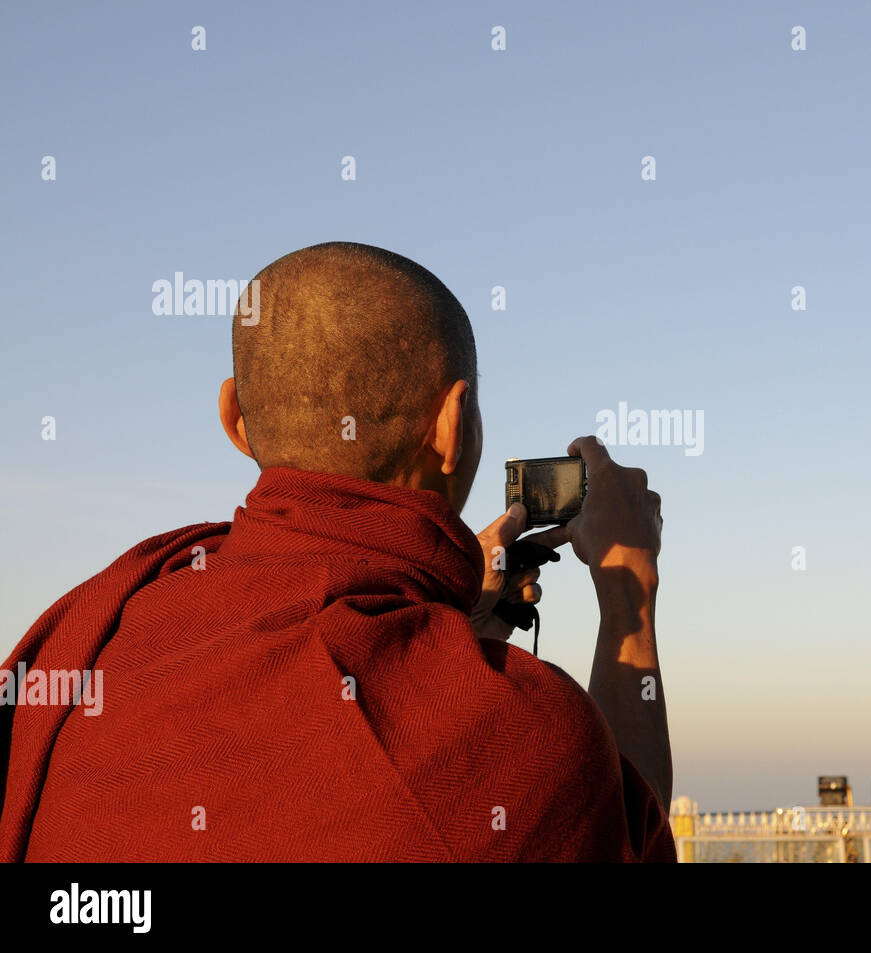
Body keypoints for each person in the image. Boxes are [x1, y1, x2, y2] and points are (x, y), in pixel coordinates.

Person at [0, 242, 673, 862]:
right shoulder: (520, 736)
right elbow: (634, 831)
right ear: (452, 424)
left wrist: (445, 613)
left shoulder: (101, 621)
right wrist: (627, 598)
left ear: (234, 418)